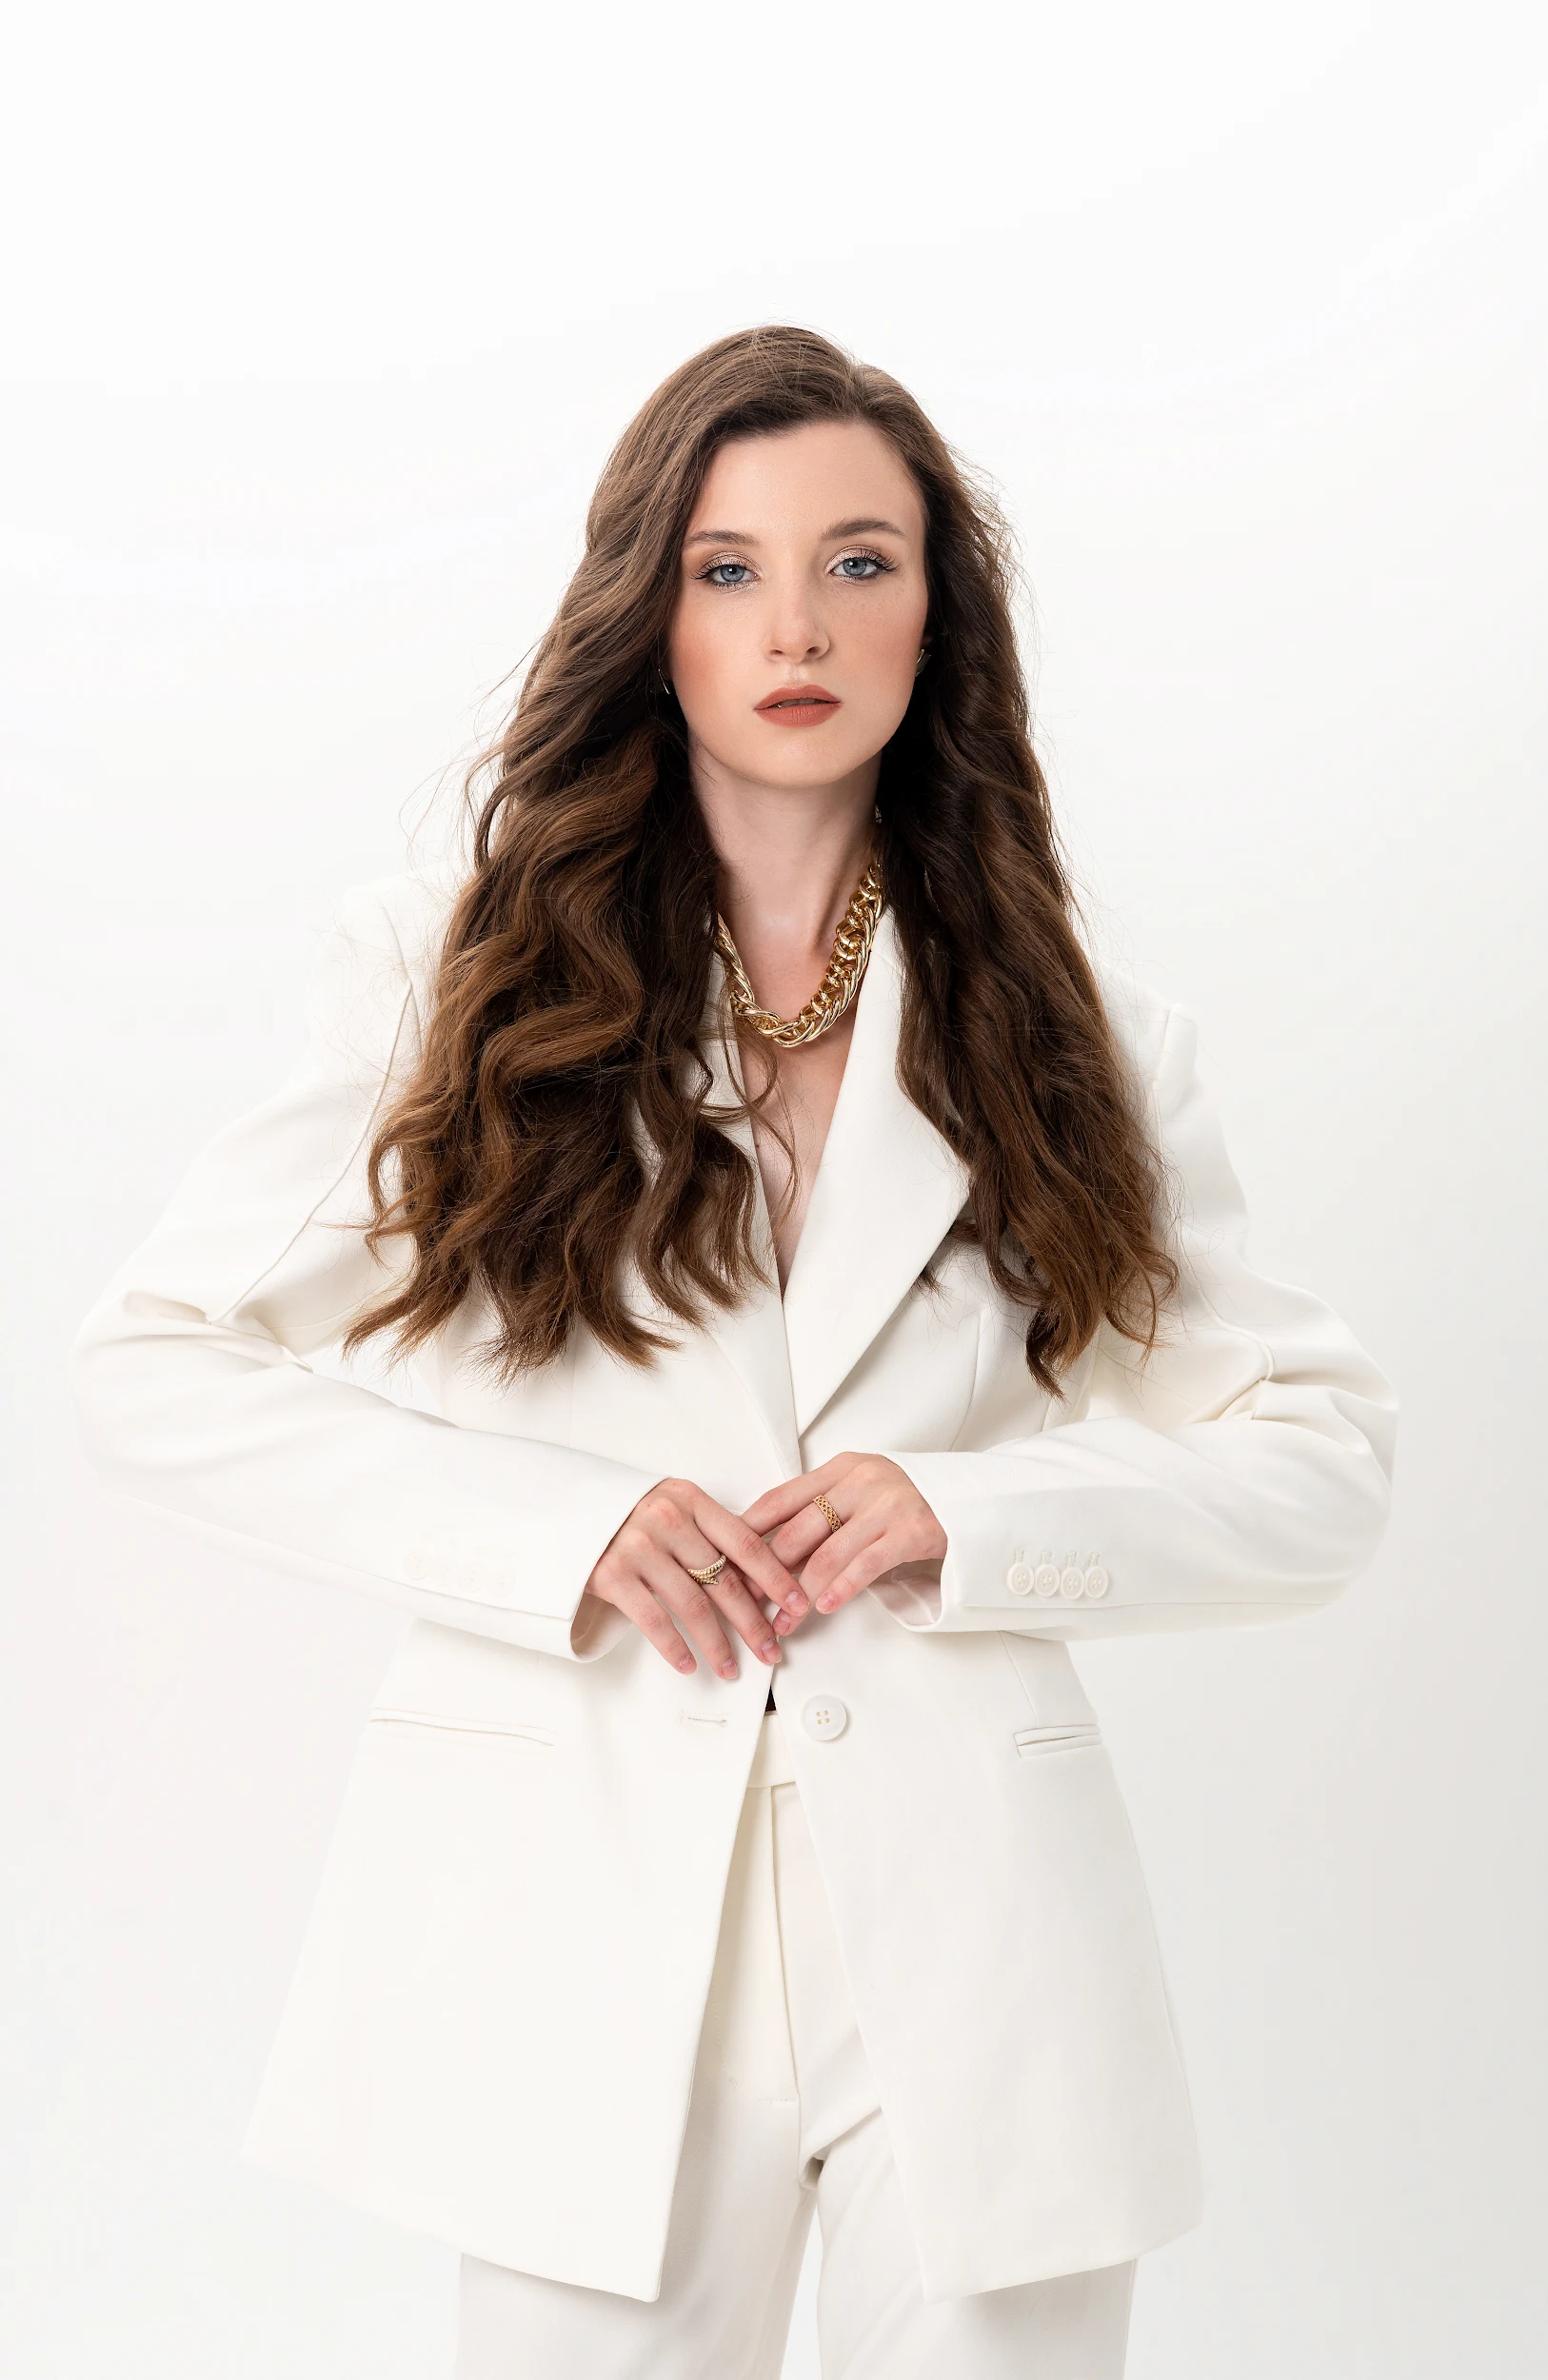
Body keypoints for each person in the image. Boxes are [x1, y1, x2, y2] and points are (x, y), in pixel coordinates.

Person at [71, 325, 1397, 2379]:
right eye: (728, 567)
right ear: (649, 612)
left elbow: (1317, 1454)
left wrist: (965, 1514)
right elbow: (154, 1361)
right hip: (577, 1923)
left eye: (860, 562)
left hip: (976, 1954)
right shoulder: (457, 977)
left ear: (936, 615)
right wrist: (566, 1536)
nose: (797, 625)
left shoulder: (1074, 1029)